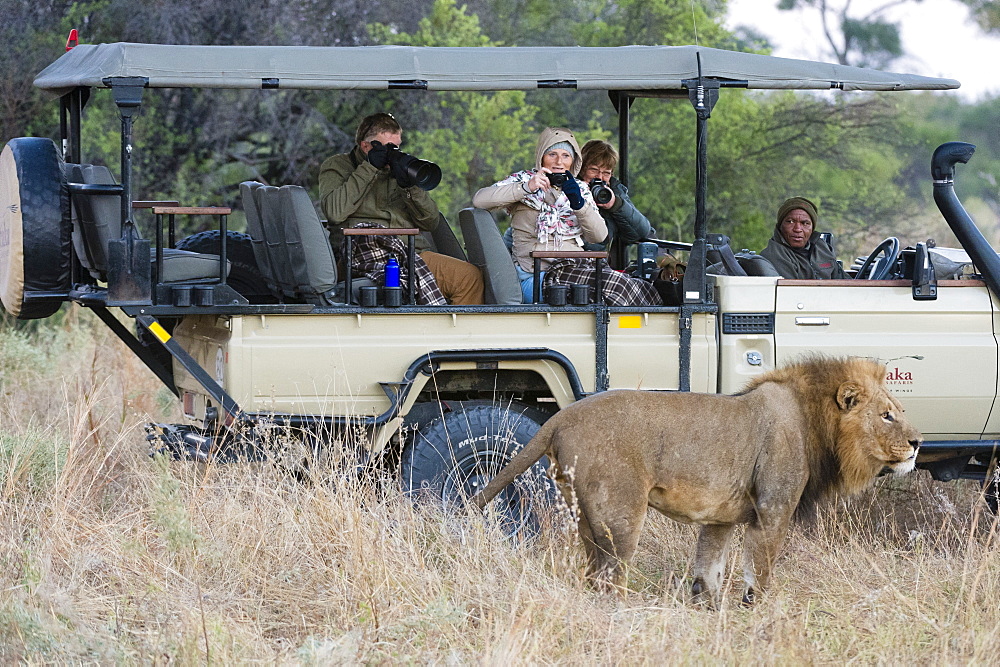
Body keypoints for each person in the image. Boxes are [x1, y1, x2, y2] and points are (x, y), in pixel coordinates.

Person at [473, 127, 660, 306]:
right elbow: (480, 200)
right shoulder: (524, 180)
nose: (559, 162)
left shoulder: (581, 188)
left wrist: (579, 203)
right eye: (552, 154)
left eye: (565, 156)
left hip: (577, 266)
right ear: (541, 157)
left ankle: (631, 332)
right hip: (540, 274)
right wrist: (526, 188)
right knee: (617, 288)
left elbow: (599, 236)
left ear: (573, 161)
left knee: (642, 286)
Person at [319, 112, 484, 305]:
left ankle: (450, 333)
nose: (392, 152)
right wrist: (369, 167)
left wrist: (409, 186)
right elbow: (334, 212)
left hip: (409, 251)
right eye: (386, 147)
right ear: (365, 146)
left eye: (396, 146)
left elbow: (431, 221)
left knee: (468, 277)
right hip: (359, 254)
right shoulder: (338, 166)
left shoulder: (398, 168)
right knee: (463, 277)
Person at [578, 140, 653, 267]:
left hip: (602, 265)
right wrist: (583, 199)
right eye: (593, 170)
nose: (599, 177)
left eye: (606, 173)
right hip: (581, 262)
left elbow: (643, 231)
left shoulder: (613, 190)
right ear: (581, 169)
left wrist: (615, 204)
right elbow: (591, 244)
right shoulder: (571, 190)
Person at [760, 196, 847, 279]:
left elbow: (844, 281)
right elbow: (793, 291)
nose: (797, 229)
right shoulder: (774, 255)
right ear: (780, 226)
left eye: (805, 223)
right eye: (790, 222)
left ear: (812, 228)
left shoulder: (821, 248)